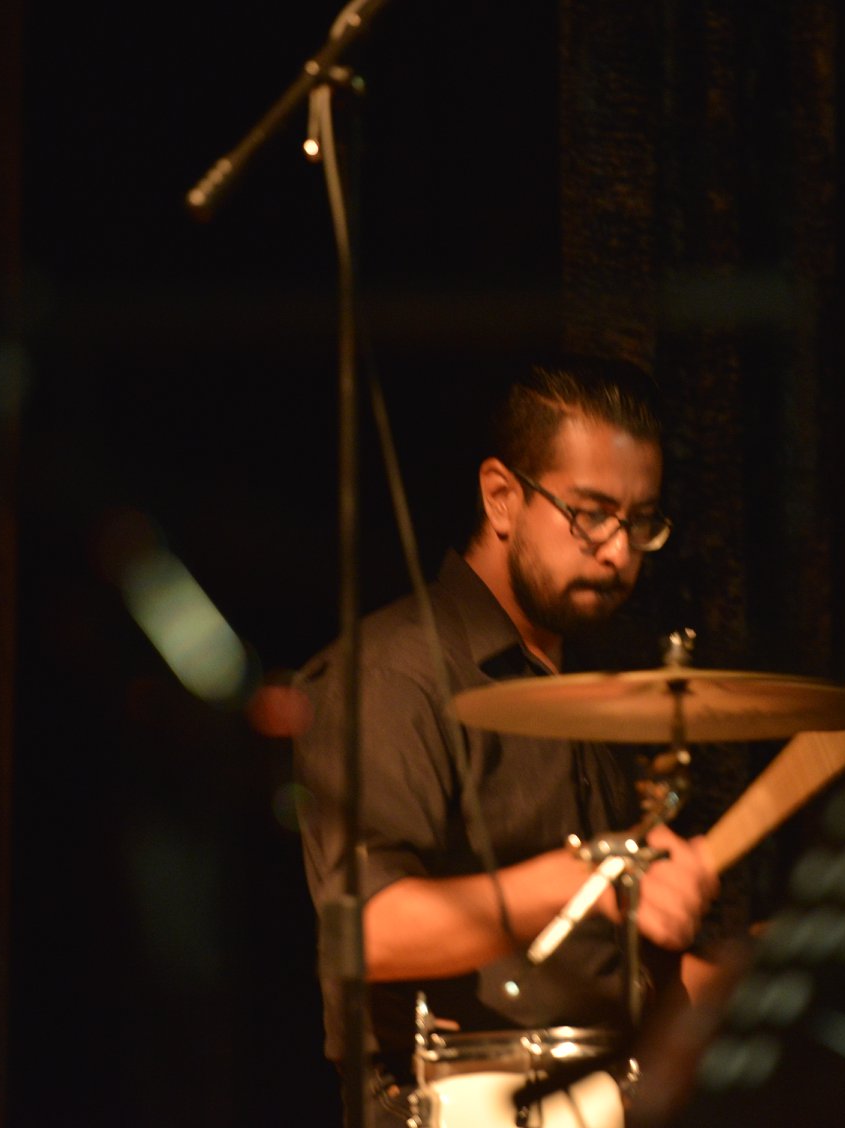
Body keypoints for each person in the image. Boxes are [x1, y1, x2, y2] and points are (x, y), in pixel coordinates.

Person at [293, 358, 720, 1121]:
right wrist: (594, 875)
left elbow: (632, 975)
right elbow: (366, 931)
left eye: (640, 522)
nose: (619, 553)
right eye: (591, 514)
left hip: (607, 1090)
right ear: (501, 497)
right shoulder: (397, 673)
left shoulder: (599, 683)